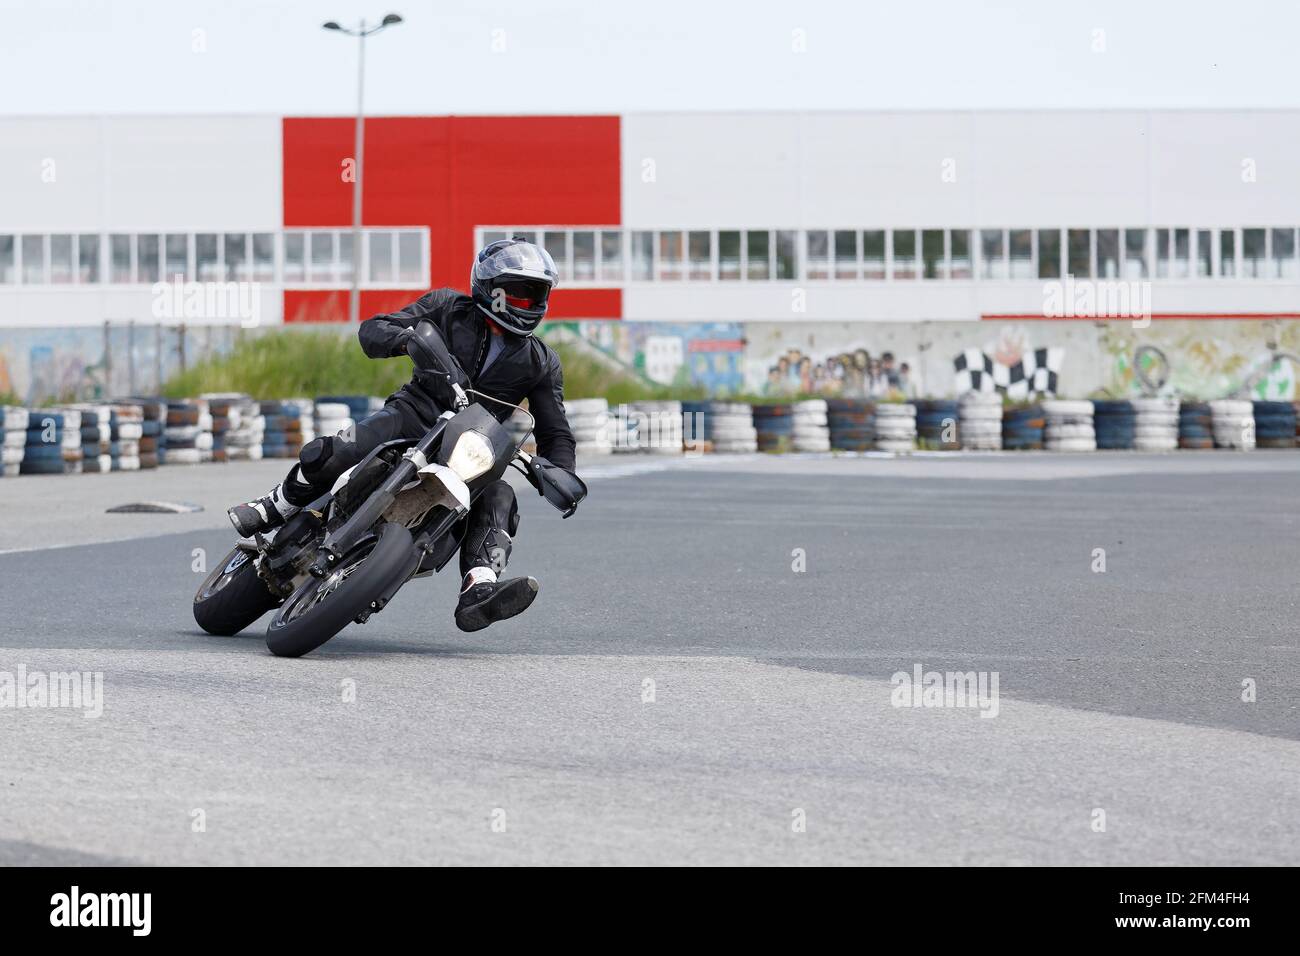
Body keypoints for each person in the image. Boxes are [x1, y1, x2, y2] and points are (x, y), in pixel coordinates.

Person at [228, 236, 578, 633]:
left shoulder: (541, 362)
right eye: (521, 291)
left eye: (537, 293)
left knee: (500, 494)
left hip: (469, 447)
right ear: (491, 288)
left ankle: (479, 588)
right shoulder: (447, 307)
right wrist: (405, 338)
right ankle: (277, 505)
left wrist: (560, 471)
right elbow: (374, 329)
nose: (530, 301)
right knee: (340, 450)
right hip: (413, 416)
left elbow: (556, 432)